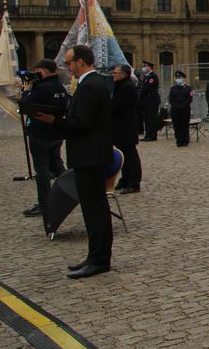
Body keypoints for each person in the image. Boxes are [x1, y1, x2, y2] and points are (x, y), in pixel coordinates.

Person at [35, 44, 113, 279]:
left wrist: (54, 121)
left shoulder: (90, 86)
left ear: (80, 62)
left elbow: (83, 124)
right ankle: (95, 256)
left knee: (95, 210)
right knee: (93, 209)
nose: (67, 67)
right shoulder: (91, 84)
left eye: (69, 62)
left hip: (90, 156)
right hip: (91, 155)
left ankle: (99, 259)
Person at [20, 60, 68, 214]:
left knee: (42, 171)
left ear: (45, 70)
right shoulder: (58, 85)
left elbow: (25, 105)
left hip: (40, 133)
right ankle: (69, 194)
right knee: (57, 165)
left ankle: (44, 203)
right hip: (55, 133)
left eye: (37, 70)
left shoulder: (42, 87)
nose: (36, 74)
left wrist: (27, 90)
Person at [110, 64, 142, 193]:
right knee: (124, 154)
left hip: (126, 127)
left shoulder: (127, 87)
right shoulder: (122, 85)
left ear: (123, 74)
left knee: (130, 155)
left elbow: (117, 106)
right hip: (121, 126)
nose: (113, 74)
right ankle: (126, 179)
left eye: (115, 73)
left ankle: (133, 182)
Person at [167, 70, 192, 147]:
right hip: (175, 110)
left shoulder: (188, 88)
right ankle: (179, 140)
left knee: (184, 125)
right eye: (177, 78)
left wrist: (182, 106)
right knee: (176, 125)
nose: (178, 79)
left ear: (183, 78)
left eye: (180, 77)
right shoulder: (173, 88)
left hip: (185, 110)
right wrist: (176, 106)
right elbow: (171, 99)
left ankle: (185, 140)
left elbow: (189, 99)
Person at [137, 61, 161, 141]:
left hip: (152, 101)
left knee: (151, 119)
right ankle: (148, 135)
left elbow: (147, 88)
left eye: (145, 66)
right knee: (147, 119)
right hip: (147, 101)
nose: (143, 67)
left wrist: (139, 94)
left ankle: (152, 136)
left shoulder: (152, 76)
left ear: (149, 67)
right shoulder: (147, 76)